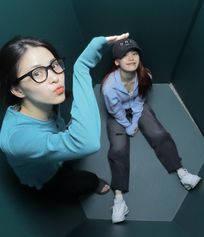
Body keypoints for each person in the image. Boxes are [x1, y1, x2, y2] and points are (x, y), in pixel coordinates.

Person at [0, 32, 129, 201]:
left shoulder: (45, 99)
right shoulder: (16, 139)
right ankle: (93, 183)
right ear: (17, 89)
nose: (55, 78)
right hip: (47, 177)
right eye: (37, 73)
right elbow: (86, 142)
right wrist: (82, 66)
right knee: (83, 181)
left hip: (56, 152)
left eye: (54, 65)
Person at [101, 38, 202, 223]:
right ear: (117, 62)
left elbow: (140, 100)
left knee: (159, 133)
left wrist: (137, 120)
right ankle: (119, 200)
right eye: (125, 55)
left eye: (134, 53)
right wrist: (128, 126)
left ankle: (182, 172)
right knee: (118, 149)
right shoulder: (108, 87)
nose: (131, 58)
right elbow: (115, 111)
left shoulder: (145, 74)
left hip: (136, 107)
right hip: (118, 114)